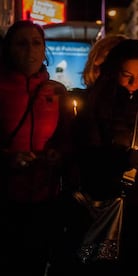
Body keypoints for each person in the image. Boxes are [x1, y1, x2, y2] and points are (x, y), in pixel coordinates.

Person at [49, 39, 138, 276]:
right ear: (114, 71)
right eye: (127, 75)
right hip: (103, 207)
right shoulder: (94, 104)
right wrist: (124, 157)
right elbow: (86, 155)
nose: (134, 83)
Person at [0, 20, 73, 276]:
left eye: (36, 43)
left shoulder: (56, 92)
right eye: (21, 44)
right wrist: (7, 159)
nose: (30, 50)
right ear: (8, 49)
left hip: (45, 201)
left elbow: (66, 139)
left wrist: (58, 154)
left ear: (44, 49)